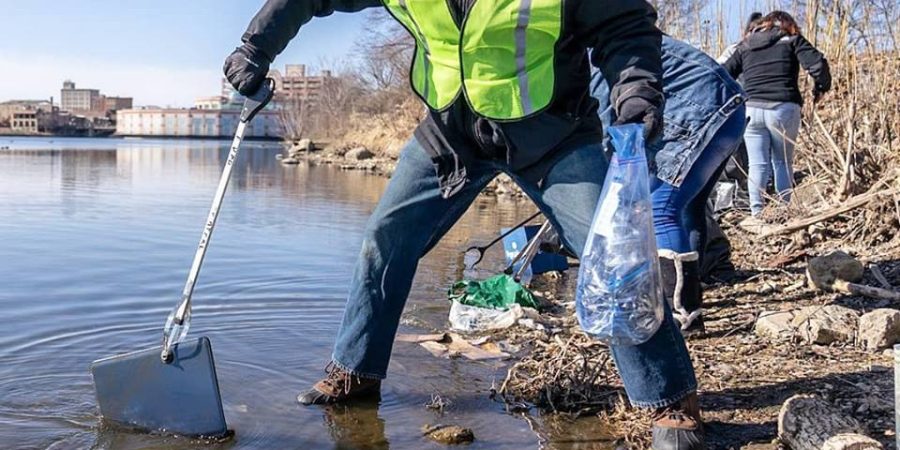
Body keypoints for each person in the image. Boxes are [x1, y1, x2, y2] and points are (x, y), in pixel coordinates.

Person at [226, 1, 706, 448]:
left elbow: (623, 25)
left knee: (614, 255)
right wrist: (256, 46)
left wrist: (637, 92)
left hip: (552, 132)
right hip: (452, 132)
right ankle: (356, 369)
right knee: (385, 237)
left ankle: (669, 399)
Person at [592, 36, 746, 334]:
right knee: (689, 210)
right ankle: (690, 308)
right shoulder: (613, 28)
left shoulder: (586, 53)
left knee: (661, 209)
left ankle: (678, 319)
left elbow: (602, 121)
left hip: (698, 110)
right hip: (728, 110)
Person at [724, 11, 831, 217]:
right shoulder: (792, 40)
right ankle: (785, 211)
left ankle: (757, 214)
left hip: (752, 110)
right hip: (783, 108)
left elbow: (724, 73)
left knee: (757, 164)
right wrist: (821, 88)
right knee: (782, 161)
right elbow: (818, 64)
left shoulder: (745, 45)